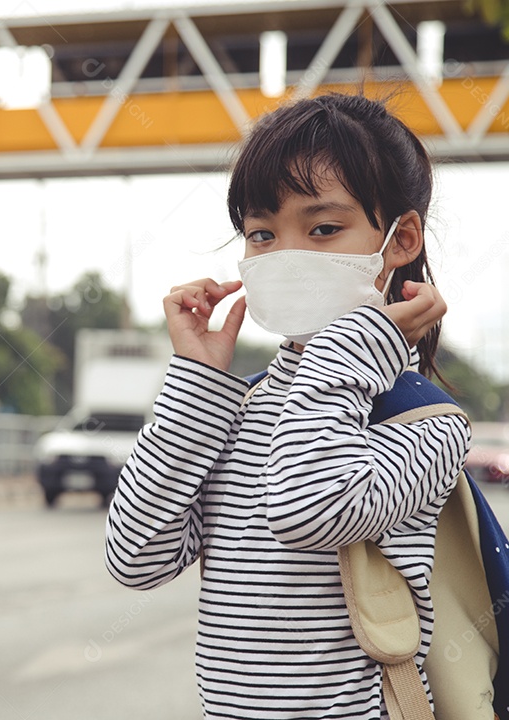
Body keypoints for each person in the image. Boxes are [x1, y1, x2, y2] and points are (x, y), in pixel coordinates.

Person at [104, 93, 471, 719]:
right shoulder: (234, 409)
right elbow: (135, 557)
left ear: (401, 239)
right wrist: (197, 384)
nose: (286, 255)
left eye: (323, 229)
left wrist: (355, 344)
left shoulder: (426, 422)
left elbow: (308, 509)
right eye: (262, 234)